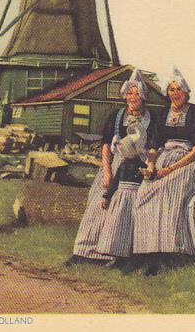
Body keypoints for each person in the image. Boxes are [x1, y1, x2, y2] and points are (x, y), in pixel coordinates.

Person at [66, 69, 158, 265]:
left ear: (143, 97)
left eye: (137, 94)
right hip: (114, 163)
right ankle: (85, 251)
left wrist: (149, 166)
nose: (132, 97)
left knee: (123, 205)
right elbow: (106, 145)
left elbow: (152, 148)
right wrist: (107, 172)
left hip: (136, 166)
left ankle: (112, 253)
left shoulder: (151, 120)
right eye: (130, 93)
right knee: (98, 202)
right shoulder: (116, 116)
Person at [133, 66, 195, 274]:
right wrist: (151, 165)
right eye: (171, 90)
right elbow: (155, 145)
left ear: (186, 92)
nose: (175, 94)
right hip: (163, 159)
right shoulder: (163, 114)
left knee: (167, 194)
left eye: (178, 89)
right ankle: (148, 252)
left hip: (188, 163)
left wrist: (171, 169)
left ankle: (172, 253)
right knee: (144, 193)